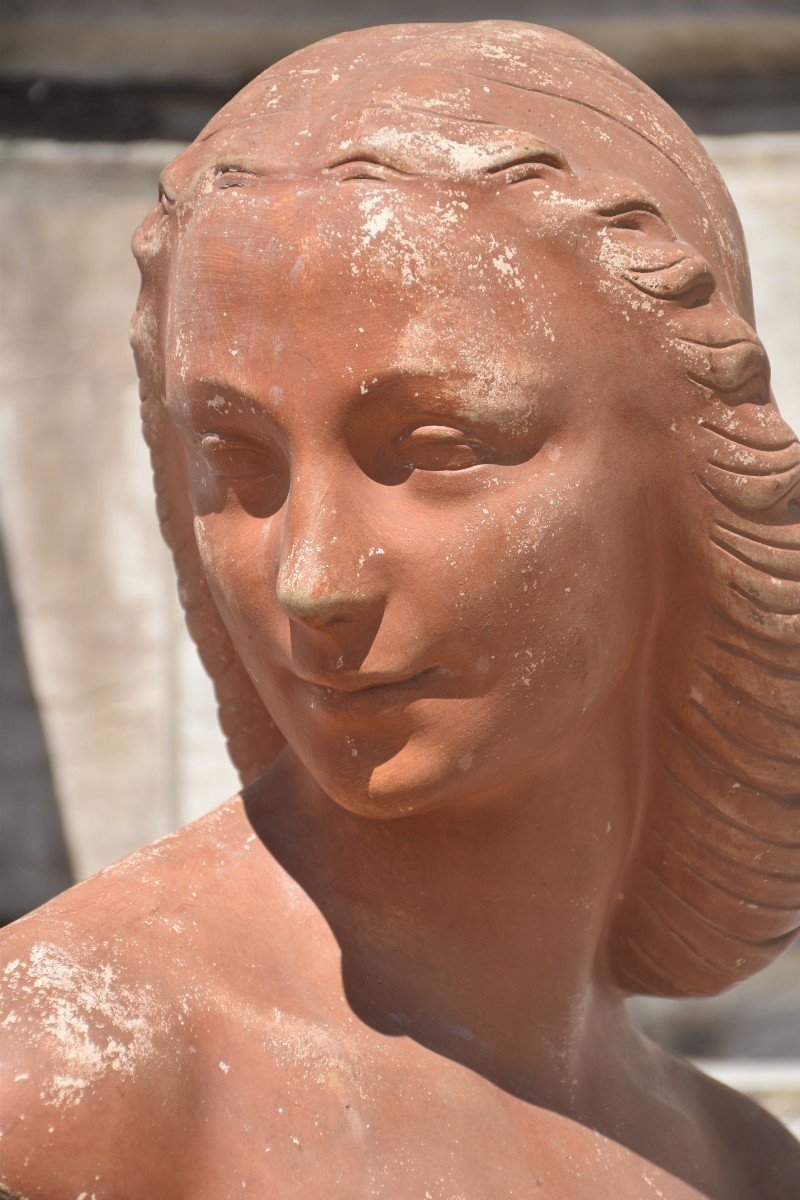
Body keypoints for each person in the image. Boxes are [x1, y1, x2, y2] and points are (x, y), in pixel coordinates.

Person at [2, 21, 799, 1200]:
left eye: (434, 448)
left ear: (685, 463)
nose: (310, 578)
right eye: (237, 457)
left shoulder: (735, 1161)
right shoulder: (71, 1081)